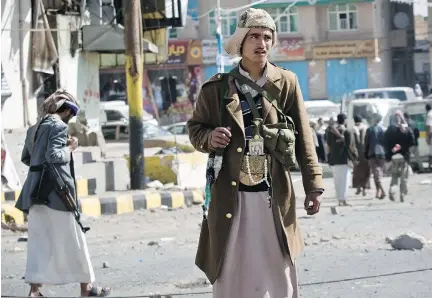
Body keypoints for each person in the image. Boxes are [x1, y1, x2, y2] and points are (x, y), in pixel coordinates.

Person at [187, 8, 324, 298]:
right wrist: (210, 137)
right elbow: (195, 130)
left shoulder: (286, 82)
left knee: (277, 269)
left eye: (267, 37)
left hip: (273, 196)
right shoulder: (216, 89)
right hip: (231, 196)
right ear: (241, 43)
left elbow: (304, 139)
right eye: (254, 37)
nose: (261, 43)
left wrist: (314, 186)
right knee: (232, 267)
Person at [15, 89, 111, 297]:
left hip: (34, 193)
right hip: (56, 195)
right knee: (75, 239)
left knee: (40, 241)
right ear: (66, 111)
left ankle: (34, 290)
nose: (70, 118)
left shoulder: (34, 129)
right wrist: (71, 147)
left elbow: (26, 158)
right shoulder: (58, 126)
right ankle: (86, 289)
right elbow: (54, 155)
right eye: (71, 114)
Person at [326, 113, 358, 206]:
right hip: (344, 159)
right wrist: (355, 157)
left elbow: (328, 146)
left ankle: (339, 199)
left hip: (334, 159)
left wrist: (329, 158)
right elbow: (351, 147)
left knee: (337, 181)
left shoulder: (331, 132)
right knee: (344, 181)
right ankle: (343, 200)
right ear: (345, 120)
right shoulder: (347, 132)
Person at [383, 110, 415, 202]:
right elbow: (412, 141)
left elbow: (385, 143)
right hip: (404, 156)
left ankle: (392, 191)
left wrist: (390, 153)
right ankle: (402, 194)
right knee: (404, 177)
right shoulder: (407, 129)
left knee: (394, 176)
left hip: (393, 157)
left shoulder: (389, 130)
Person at [364, 113, 387, 200]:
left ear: (374, 119)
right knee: (378, 173)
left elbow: (366, 143)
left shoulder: (370, 130)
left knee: (376, 174)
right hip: (382, 154)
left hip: (372, 154)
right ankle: (378, 192)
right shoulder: (382, 129)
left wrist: (365, 153)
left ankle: (383, 191)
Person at [352, 115, 370, 196]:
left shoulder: (352, 129)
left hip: (356, 153)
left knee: (357, 171)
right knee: (366, 171)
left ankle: (358, 187)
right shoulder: (366, 128)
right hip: (365, 153)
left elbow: (351, 143)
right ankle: (364, 189)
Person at [426, 104, 432, 170]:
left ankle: (429, 167)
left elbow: (429, 126)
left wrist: (428, 137)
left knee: (430, 153)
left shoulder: (429, 115)